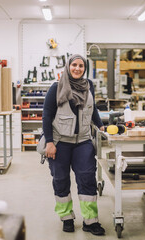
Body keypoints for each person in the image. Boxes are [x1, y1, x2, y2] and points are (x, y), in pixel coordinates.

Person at [42, 54, 106, 236]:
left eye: (81, 65)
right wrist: (49, 143)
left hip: (83, 142)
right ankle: (67, 218)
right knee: (60, 180)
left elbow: (93, 111)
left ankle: (90, 221)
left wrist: (100, 125)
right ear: (68, 66)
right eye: (74, 65)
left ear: (84, 68)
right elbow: (46, 116)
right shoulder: (56, 87)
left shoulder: (89, 86)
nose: (77, 68)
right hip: (60, 142)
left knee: (87, 179)